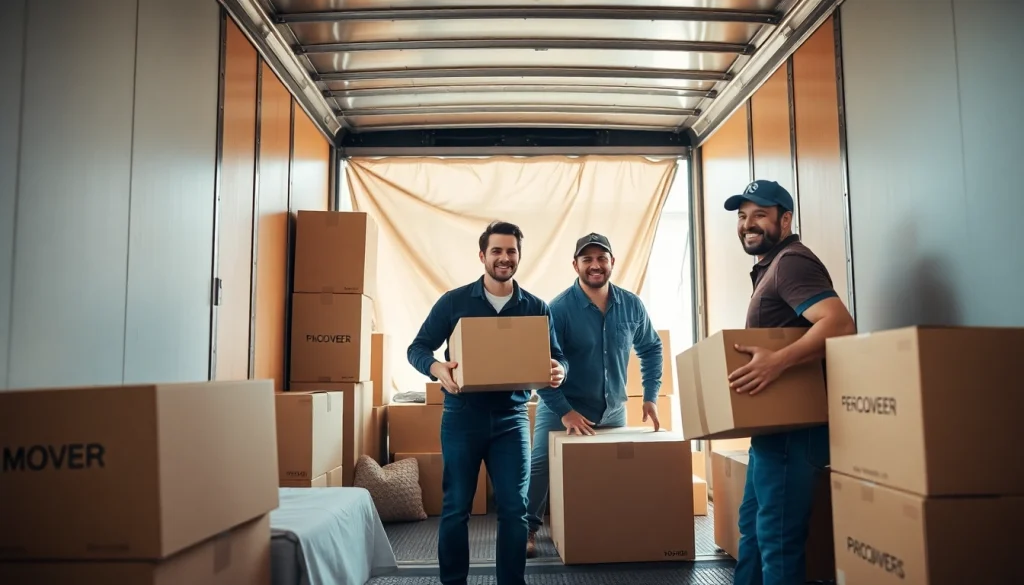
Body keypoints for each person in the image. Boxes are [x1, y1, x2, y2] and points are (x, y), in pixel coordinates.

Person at [407, 220, 569, 585]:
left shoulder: (535, 307)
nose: (504, 258)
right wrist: (435, 367)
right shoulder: (454, 302)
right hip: (463, 417)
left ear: (519, 257)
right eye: (496, 250)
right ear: (482, 255)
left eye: (511, 251)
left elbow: (558, 358)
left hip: (511, 419)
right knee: (455, 509)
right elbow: (417, 348)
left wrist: (560, 370)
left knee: (515, 511)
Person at [723, 180, 856, 585]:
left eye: (760, 214)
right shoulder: (770, 265)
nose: (749, 224)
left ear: (785, 218)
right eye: (743, 216)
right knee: (754, 532)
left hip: (793, 432)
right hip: (773, 429)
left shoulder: (792, 262)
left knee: (778, 540)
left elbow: (839, 324)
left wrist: (775, 363)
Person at [524, 232, 664, 557]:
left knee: (613, 471)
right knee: (541, 465)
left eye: (601, 258)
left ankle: (605, 524)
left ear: (612, 262)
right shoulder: (557, 310)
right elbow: (538, 367)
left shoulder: (631, 305)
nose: (595, 265)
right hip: (564, 406)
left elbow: (652, 348)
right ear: (575, 265)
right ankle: (527, 529)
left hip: (613, 409)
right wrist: (565, 411)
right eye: (587, 259)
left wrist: (650, 395)